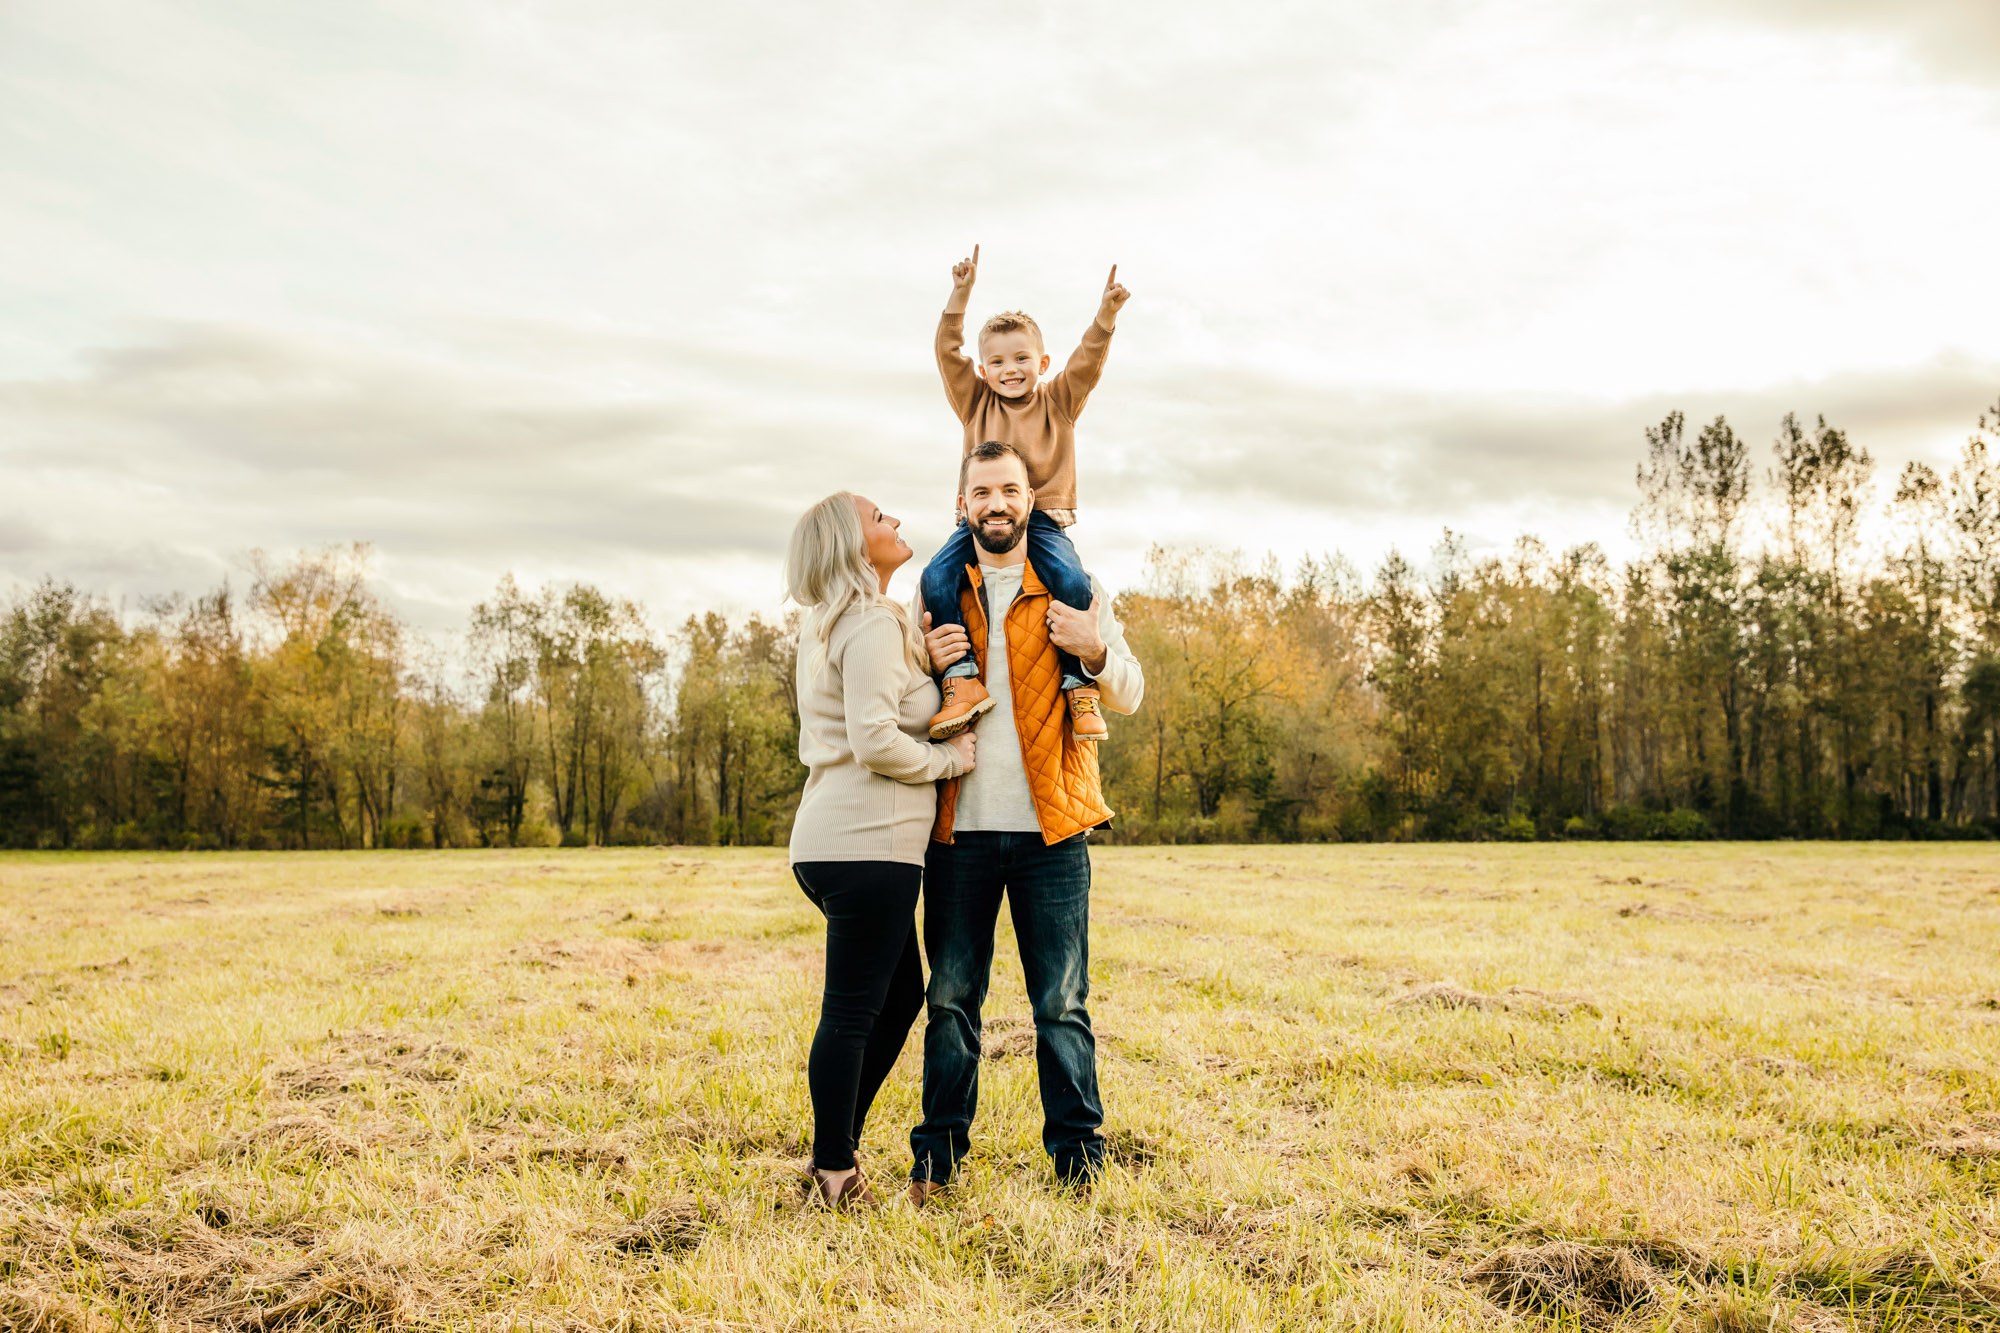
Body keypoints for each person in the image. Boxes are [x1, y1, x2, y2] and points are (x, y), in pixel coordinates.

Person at [908, 442, 1145, 1201]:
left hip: (1054, 834)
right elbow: (905, 705)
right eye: (983, 492)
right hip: (958, 832)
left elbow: (1132, 691)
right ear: (963, 505)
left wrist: (1096, 650)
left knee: (1060, 1004)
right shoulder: (938, 594)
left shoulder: (1076, 587)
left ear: (1030, 500)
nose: (997, 503)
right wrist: (923, 652)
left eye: (1010, 488)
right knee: (949, 1001)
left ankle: (1079, 1162)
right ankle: (937, 1162)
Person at [784, 491, 978, 1210]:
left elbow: (879, 706)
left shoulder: (842, 623)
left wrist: (924, 659)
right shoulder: (866, 622)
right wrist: (950, 759)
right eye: (877, 517)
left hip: (836, 840)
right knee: (855, 1010)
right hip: (870, 844)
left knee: (895, 999)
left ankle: (835, 1145)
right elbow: (874, 738)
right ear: (854, 547)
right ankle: (834, 1171)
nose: (894, 519)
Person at [921, 245, 1131, 744]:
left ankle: (1079, 686)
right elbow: (947, 357)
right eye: (996, 360)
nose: (1009, 369)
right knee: (936, 577)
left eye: (1021, 358)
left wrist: (1105, 316)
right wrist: (959, 295)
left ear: (1042, 361)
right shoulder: (975, 402)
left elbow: (1088, 362)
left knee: (1073, 582)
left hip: (1040, 520)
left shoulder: (1058, 400)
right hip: (978, 524)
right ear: (985, 368)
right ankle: (961, 679)